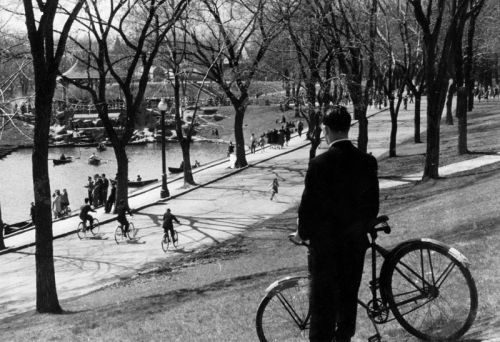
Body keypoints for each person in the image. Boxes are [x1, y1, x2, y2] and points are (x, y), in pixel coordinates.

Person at [292, 105, 379, 342]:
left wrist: (301, 233)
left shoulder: (319, 164)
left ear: (326, 130)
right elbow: (373, 207)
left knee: (322, 306)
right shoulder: (367, 161)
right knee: (348, 298)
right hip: (354, 244)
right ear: (348, 128)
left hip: (326, 247)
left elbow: (308, 207)